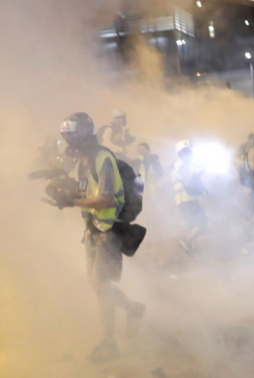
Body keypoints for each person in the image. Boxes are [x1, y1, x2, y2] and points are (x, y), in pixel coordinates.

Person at [57, 112, 145, 362]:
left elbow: (105, 198)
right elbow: (87, 191)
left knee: (103, 287)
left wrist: (72, 201)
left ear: (85, 136)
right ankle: (134, 310)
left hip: (109, 231)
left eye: (73, 140)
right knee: (98, 287)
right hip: (93, 230)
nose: (70, 145)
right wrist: (62, 190)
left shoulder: (102, 157)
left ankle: (109, 343)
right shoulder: (85, 160)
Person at [172, 139, 208, 255]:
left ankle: (192, 247)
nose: (190, 153)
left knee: (194, 224)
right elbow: (186, 181)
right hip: (186, 199)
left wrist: (199, 169)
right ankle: (187, 242)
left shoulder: (185, 163)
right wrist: (194, 170)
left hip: (189, 198)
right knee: (202, 222)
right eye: (188, 150)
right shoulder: (180, 164)